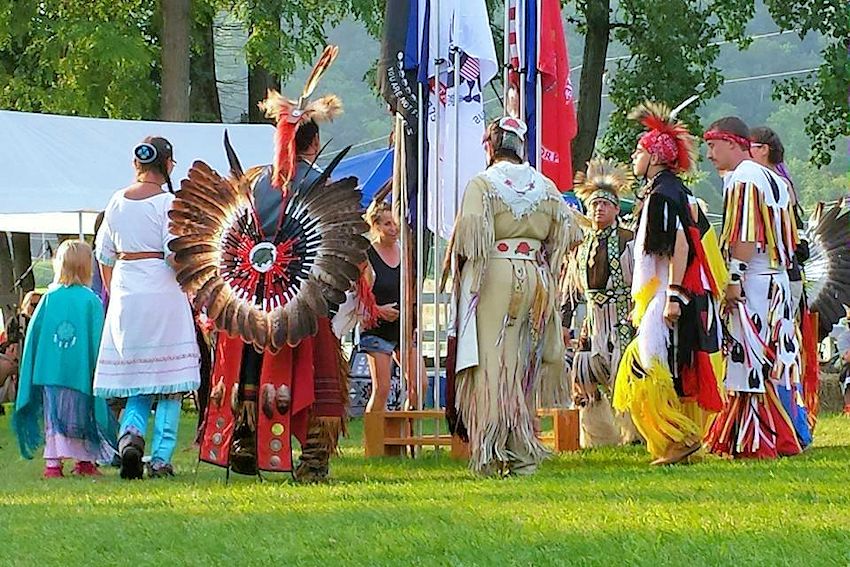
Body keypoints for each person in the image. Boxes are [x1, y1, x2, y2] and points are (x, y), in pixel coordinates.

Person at [178, 46, 367, 482]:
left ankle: (244, 445)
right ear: (314, 142)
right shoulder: (319, 186)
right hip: (301, 304)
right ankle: (314, 458)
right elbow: (347, 250)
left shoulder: (251, 182)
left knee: (247, 368)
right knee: (319, 373)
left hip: (248, 304)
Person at [447, 116, 580, 476]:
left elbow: (470, 239)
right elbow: (570, 231)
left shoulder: (483, 183)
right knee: (521, 361)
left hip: (495, 272)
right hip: (534, 275)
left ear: (490, 146)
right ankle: (522, 452)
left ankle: (492, 454)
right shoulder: (545, 185)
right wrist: (542, 253)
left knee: (491, 363)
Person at [613, 101, 725, 466]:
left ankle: (678, 439)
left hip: (665, 293)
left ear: (656, 157)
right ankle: (680, 440)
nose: (634, 157)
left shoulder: (663, 195)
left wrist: (674, 296)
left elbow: (679, 243)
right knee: (671, 366)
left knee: (650, 367)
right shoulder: (672, 191)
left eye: (640, 150)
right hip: (662, 293)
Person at [93, 136, 201, 479]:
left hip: (126, 287)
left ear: (136, 165)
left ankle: (131, 436)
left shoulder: (116, 201)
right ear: (167, 165)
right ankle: (160, 458)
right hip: (161, 289)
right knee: (169, 379)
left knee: (136, 376)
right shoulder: (168, 203)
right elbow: (174, 254)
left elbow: (104, 253)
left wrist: (114, 290)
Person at [703, 116, 803, 459]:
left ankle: (759, 440)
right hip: (777, 282)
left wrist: (734, 277)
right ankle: (779, 434)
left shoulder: (743, 179)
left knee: (751, 360)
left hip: (755, 282)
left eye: (713, 146)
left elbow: (745, 235)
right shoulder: (774, 179)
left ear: (733, 143)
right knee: (770, 360)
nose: (709, 155)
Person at [12, 241, 113, 477]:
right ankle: (84, 462)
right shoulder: (90, 300)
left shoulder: (49, 298)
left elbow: (34, 337)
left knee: (54, 416)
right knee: (81, 413)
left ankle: (53, 464)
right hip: (80, 370)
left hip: (50, 372)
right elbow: (98, 339)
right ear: (87, 267)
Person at [749, 126, 815, 446]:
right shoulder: (775, 182)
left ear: (763, 150)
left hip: (779, 279)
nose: (748, 151)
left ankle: (788, 426)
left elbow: (791, 240)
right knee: (782, 354)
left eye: (752, 146)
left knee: (780, 354)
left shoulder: (773, 184)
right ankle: (788, 426)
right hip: (779, 278)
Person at [569, 158, 640, 447]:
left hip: (623, 316)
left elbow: (640, 278)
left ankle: (633, 434)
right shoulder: (582, 245)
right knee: (587, 377)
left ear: (615, 209)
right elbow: (571, 289)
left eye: (606, 204)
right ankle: (598, 438)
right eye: (595, 204)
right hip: (593, 320)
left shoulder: (628, 240)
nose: (599, 209)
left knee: (625, 375)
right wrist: (566, 321)